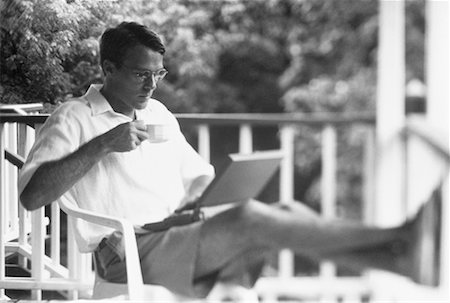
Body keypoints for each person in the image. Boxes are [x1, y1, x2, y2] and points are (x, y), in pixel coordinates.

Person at [18, 21, 440, 300]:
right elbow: (32, 196)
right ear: (108, 68)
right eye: (140, 73)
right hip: (125, 251)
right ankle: (399, 239)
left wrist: (202, 201)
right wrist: (101, 145)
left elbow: (199, 175)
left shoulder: (158, 114)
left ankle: (400, 256)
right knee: (254, 220)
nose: (152, 84)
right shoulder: (73, 118)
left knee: (286, 210)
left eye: (158, 74)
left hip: (176, 231)